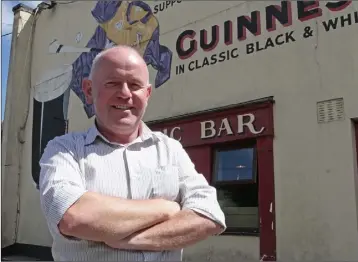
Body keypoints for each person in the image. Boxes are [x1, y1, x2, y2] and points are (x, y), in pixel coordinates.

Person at [39, 45, 226, 261]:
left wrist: (128, 239)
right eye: (113, 83)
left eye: (135, 85)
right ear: (89, 90)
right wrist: (167, 209)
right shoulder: (64, 150)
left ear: (147, 94)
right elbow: (73, 216)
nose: (125, 94)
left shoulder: (171, 149)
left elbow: (209, 215)